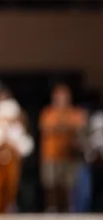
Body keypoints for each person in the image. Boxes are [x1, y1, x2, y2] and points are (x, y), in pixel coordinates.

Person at [39, 84, 87, 212]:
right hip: (51, 155)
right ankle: (52, 208)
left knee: (69, 185)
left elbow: (81, 126)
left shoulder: (75, 113)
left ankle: (68, 209)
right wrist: (67, 128)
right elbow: (48, 128)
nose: (61, 99)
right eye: (58, 96)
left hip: (69, 155)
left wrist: (63, 128)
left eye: (64, 96)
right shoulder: (48, 113)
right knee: (51, 184)